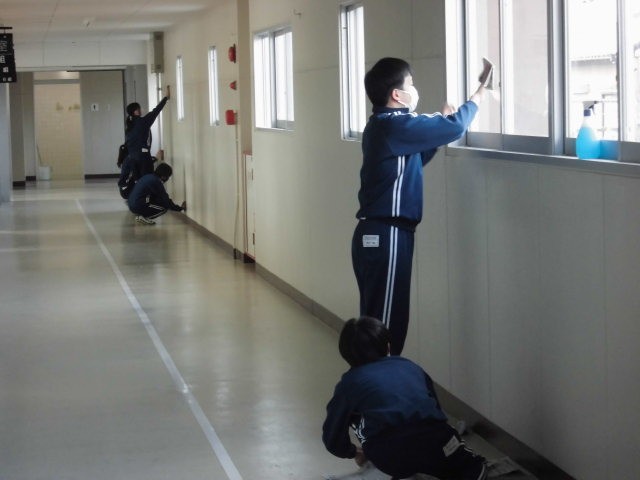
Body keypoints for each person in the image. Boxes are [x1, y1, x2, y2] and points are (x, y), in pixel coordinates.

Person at [352, 57, 490, 355]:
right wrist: (479, 95)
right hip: (386, 234)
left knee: (379, 321)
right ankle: (383, 380)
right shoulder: (394, 124)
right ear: (396, 94)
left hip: (382, 233)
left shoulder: (384, 126)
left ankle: (376, 378)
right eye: (410, 84)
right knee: (385, 327)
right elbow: (456, 126)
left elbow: (413, 160)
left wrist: (435, 136)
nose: (414, 90)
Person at [322, 317, 487, 480]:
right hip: (438, 443)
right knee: (470, 464)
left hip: (390, 456)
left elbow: (332, 437)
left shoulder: (349, 383)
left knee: (357, 413)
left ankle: (402, 473)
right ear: (388, 347)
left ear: (345, 354)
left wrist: (354, 452)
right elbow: (436, 409)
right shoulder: (410, 366)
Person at [125, 86, 170, 180]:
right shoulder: (143, 122)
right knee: (147, 179)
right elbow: (156, 111)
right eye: (140, 108)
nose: (142, 110)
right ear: (136, 111)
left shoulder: (129, 126)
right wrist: (165, 98)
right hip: (143, 157)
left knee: (137, 181)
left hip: (132, 157)